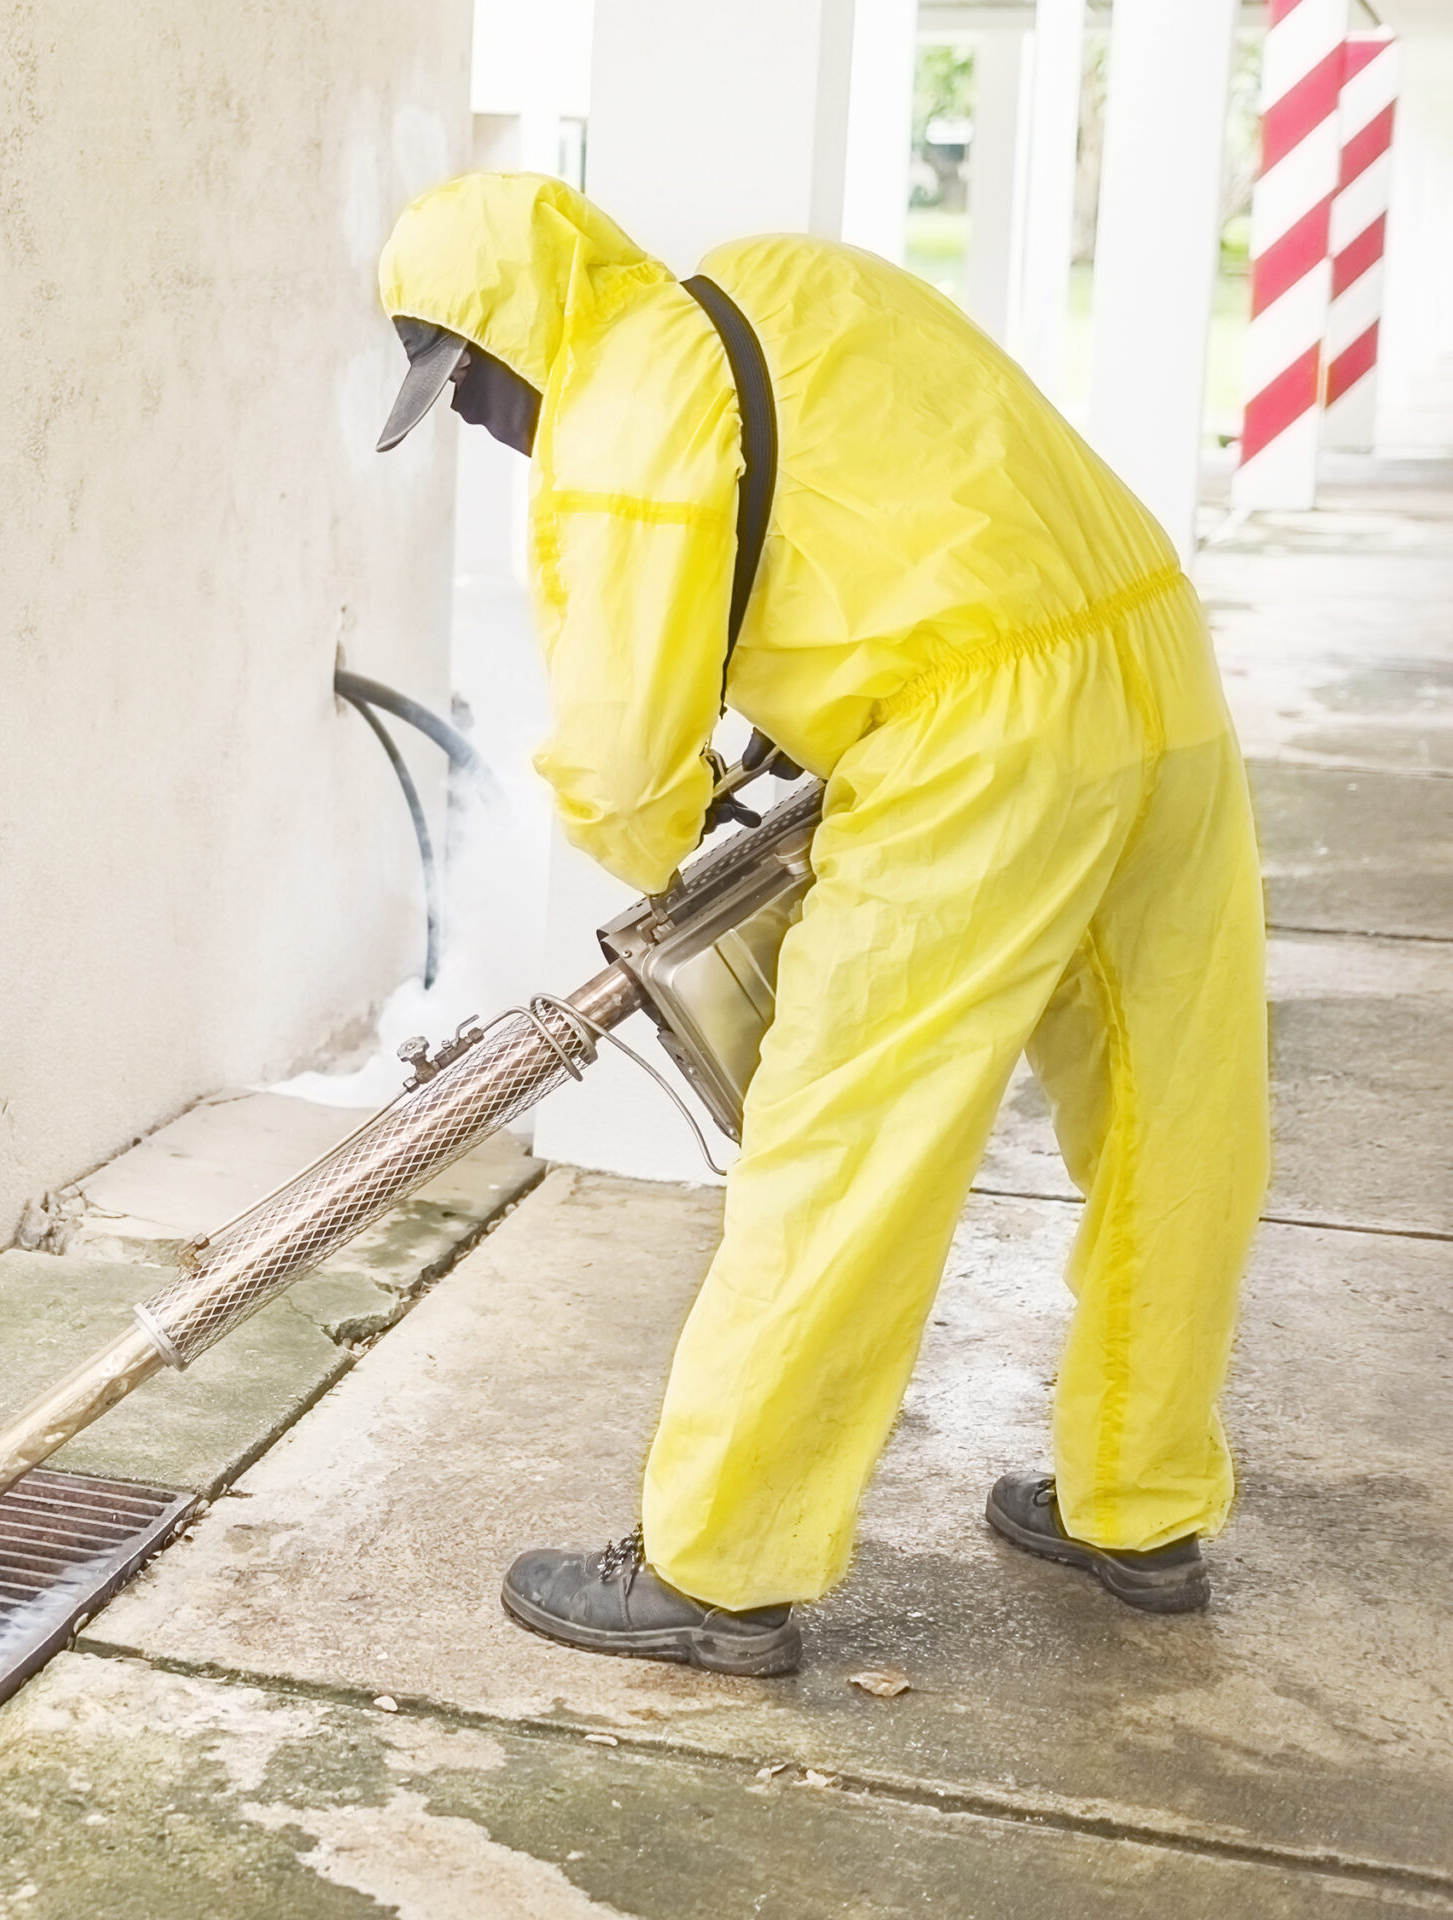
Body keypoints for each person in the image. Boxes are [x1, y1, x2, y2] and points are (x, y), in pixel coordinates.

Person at [373, 172, 1267, 1677]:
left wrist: (670, 830)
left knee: (850, 1138)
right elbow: (909, 494)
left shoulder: (619, 421)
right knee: (1177, 1107)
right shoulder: (788, 276)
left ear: (509, 340)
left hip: (978, 746)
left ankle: (716, 1569)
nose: (478, 424)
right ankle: (1143, 1497)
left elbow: (622, 770)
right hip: (1150, 659)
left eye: (466, 386)